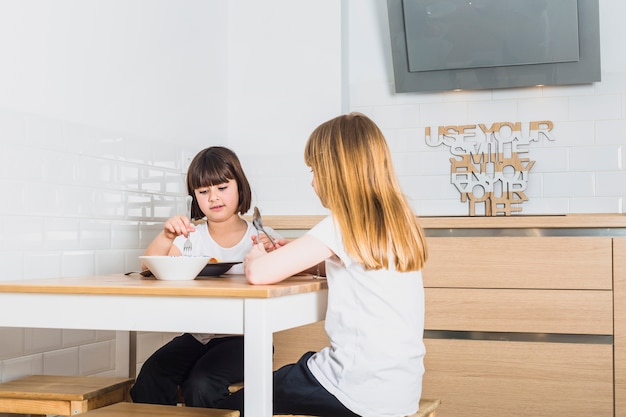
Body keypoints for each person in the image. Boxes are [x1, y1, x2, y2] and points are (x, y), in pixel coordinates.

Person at [216, 113, 428, 417]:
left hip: (354, 388)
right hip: (399, 392)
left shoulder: (341, 224)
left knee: (243, 403)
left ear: (337, 172)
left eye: (315, 169)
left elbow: (257, 273)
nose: (313, 181)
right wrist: (302, 258)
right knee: (293, 373)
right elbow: (357, 267)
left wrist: (257, 257)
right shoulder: (398, 223)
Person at [130, 146, 282, 408]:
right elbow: (149, 269)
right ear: (194, 198)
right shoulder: (191, 237)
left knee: (201, 385)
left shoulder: (260, 236)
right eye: (203, 191)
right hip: (198, 336)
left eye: (222, 188)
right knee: (151, 376)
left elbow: (282, 276)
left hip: (246, 338)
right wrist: (167, 236)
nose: (213, 197)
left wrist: (272, 255)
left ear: (240, 188)